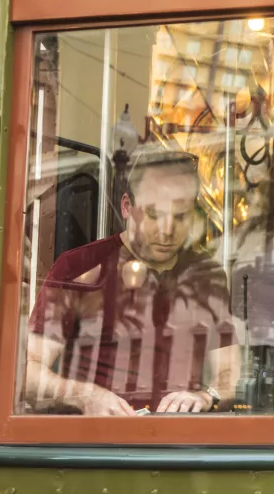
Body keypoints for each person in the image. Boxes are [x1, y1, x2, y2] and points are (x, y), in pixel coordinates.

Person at [23, 148, 237, 416]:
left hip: (181, 435)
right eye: (154, 214)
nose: (167, 231)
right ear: (126, 207)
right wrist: (86, 396)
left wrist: (208, 396)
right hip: (98, 436)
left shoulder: (207, 275)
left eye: (181, 216)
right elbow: (29, 372)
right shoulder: (77, 266)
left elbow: (230, 374)